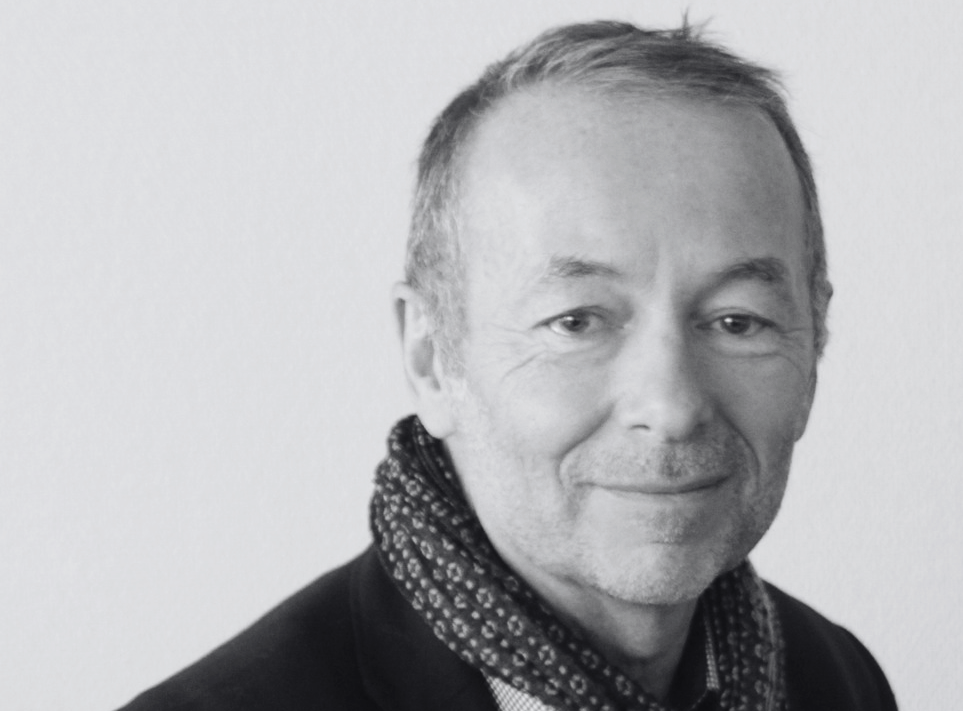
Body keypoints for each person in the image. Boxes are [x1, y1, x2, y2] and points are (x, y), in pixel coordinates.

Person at [120, 20, 896, 711]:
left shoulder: (834, 678)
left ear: (815, 337)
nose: (670, 403)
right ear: (431, 356)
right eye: (576, 321)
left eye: (736, 321)